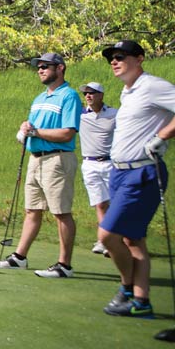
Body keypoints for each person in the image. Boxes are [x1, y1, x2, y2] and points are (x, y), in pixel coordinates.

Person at [99, 40, 175, 318]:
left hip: (142, 172)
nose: (114, 61)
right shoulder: (127, 92)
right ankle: (141, 302)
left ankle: (127, 288)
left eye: (120, 56)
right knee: (133, 240)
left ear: (140, 59)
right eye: (111, 58)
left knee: (107, 235)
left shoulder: (152, 85)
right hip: (119, 172)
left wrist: (162, 136)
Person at [0, 53, 81, 278]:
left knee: (61, 212)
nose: (40, 70)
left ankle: (64, 265)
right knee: (32, 209)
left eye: (45, 67)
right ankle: (19, 257)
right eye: (38, 67)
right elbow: (32, 127)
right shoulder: (39, 98)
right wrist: (25, 128)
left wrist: (36, 132)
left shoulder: (69, 96)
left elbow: (67, 133)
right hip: (35, 158)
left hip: (57, 159)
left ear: (60, 68)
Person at [78, 82, 117, 256]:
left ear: (101, 95)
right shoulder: (79, 115)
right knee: (100, 204)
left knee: (115, 204)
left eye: (92, 93)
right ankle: (103, 240)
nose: (88, 96)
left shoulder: (114, 114)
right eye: (86, 93)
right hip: (89, 164)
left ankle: (115, 239)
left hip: (111, 163)